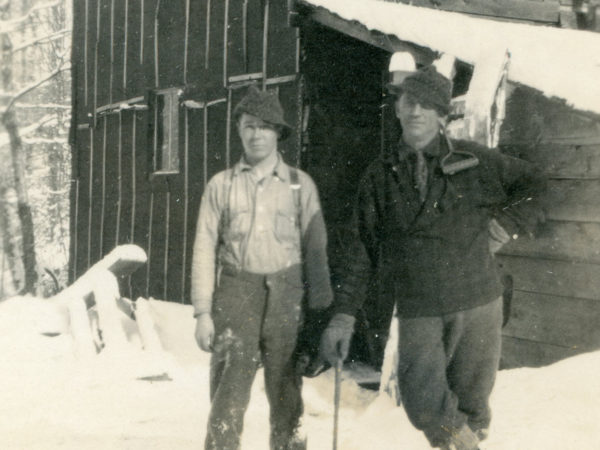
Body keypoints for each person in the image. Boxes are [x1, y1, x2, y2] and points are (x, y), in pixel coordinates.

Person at [320, 65, 546, 450]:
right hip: (420, 305)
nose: (416, 112)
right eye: (409, 102)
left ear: (443, 115)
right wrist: (343, 317)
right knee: (425, 402)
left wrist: (504, 226)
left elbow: (537, 185)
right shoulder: (381, 176)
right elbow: (361, 248)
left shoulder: (476, 162)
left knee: (473, 409)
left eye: (427, 105)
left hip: (479, 301)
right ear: (397, 108)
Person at [191, 85, 333, 450]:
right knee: (227, 398)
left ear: (278, 133)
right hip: (236, 297)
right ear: (239, 128)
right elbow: (204, 249)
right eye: (249, 125)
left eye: (265, 126)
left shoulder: (301, 186)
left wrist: (320, 317)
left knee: (287, 397)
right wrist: (203, 313)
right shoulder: (221, 186)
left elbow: (316, 254)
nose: (257, 134)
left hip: (288, 298)